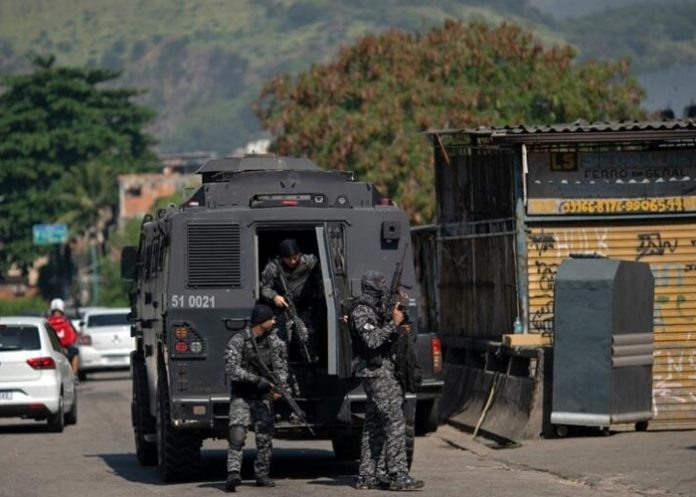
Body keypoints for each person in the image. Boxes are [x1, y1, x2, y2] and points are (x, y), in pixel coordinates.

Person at [348, 270, 424, 491]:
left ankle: (369, 475)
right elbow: (372, 340)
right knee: (394, 423)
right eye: (380, 283)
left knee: (373, 426)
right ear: (372, 286)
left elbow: (397, 320)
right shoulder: (362, 310)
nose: (383, 285)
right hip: (377, 373)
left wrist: (401, 304)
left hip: (382, 372)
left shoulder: (375, 307)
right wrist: (393, 323)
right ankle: (398, 475)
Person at [223, 304, 289, 492]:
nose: (275, 321)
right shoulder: (238, 341)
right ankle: (233, 473)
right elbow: (232, 370)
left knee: (265, 437)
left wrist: (278, 388)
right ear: (262, 321)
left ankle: (262, 474)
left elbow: (281, 368)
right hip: (242, 396)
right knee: (237, 434)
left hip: (262, 397)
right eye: (271, 319)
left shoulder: (275, 342)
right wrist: (256, 380)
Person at [260, 238, 321, 362]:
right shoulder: (274, 267)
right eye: (289, 259)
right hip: (284, 307)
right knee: (280, 338)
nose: (293, 261)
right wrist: (274, 297)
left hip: (306, 306)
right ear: (282, 258)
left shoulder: (309, 261)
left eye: (295, 257)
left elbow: (321, 278)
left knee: (306, 336)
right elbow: (263, 288)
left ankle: (310, 362)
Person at [47, 298, 80, 378]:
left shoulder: (48, 322)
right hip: (66, 347)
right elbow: (74, 333)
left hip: (53, 349)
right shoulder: (66, 321)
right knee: (75, 353)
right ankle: (75, 374)